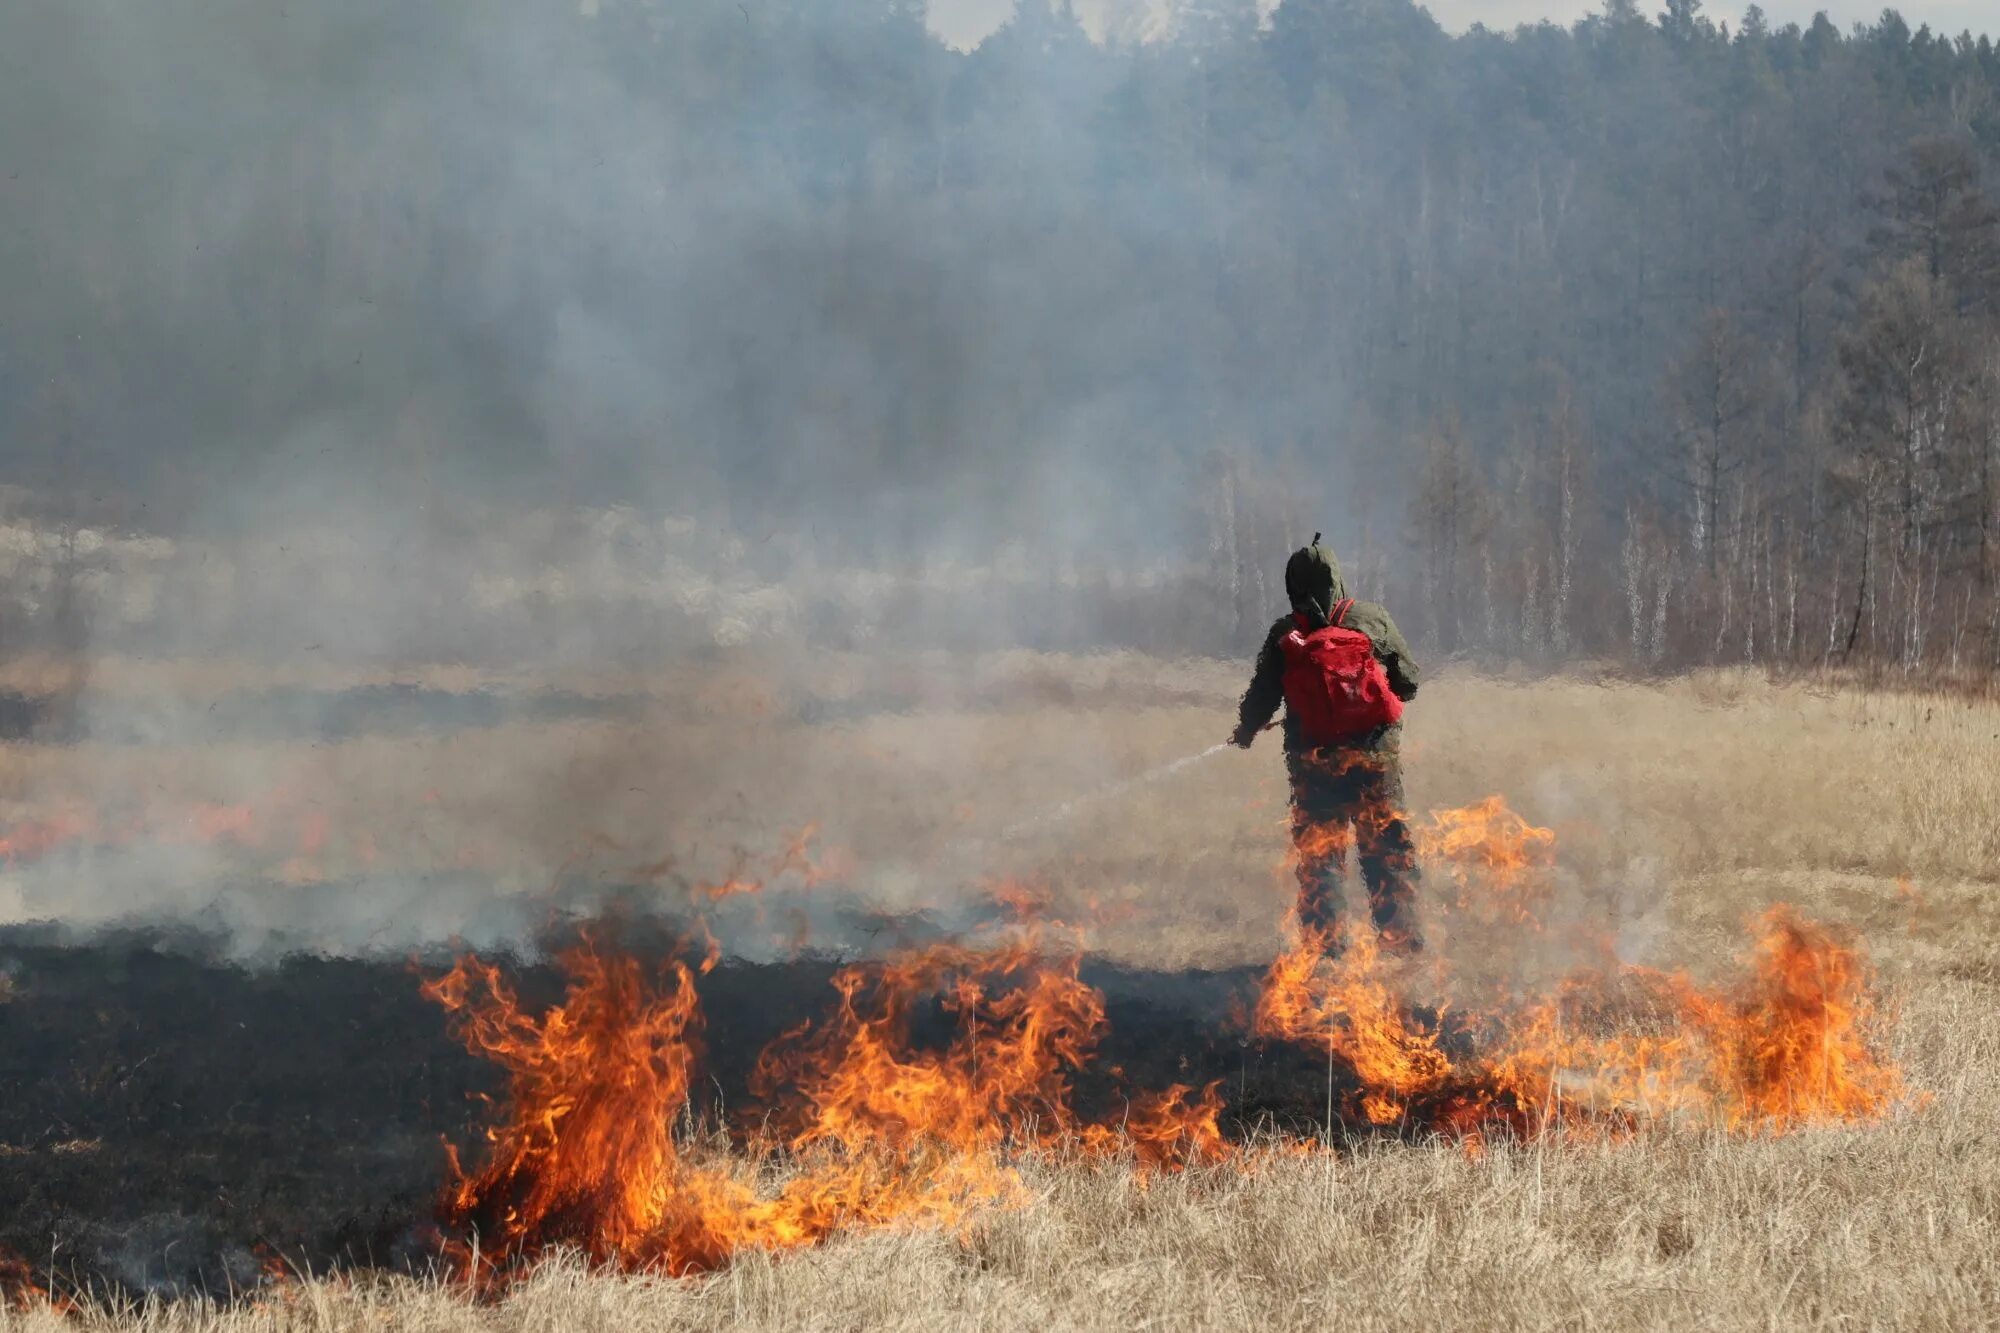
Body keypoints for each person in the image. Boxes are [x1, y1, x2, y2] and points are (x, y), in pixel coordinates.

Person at [1232, 535, 1422, 953]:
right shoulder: (1373, 619)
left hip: (1313, 763)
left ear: (1293, 585)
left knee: (1322, 857)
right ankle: (1402, 941)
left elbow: (1262, 697)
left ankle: (1326, 949)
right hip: (1376, 760)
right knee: (1387, 848)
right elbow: (1409, 683)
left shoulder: (1287, 635)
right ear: (1337, 577)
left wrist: (1245, 732)